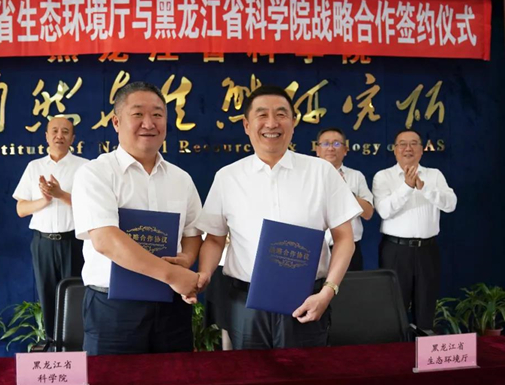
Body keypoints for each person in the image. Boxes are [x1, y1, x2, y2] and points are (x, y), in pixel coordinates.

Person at [191, 85, 362, 350]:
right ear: (247, 125)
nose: (272, 123)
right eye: (262, 115)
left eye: (281, 114)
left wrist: (328, 291)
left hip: (307, 299)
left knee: (305, 372)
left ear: (293, 123)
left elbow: (344, 238)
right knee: (250, 373)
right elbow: (214, 239)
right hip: (245, 302)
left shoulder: (321, 172)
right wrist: (204, 272)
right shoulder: (228, 177)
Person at [71, 82, 202, 355]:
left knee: (175, 377)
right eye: (138, 114)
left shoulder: (181, 179)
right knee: (113, 379)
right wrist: (172, 274)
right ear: (116, 122)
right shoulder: (95, 173)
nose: (149, 123)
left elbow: (192, 233)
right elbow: (106, 240)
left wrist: (186, 259)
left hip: (171, 307)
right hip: (114, 309)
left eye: (157, 114)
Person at [372, 129, 457, 330]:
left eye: (413, 143)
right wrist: (407, 187)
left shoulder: (434, 175)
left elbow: (450, 204)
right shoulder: (383, 176)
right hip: (396, 250)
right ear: (395, 150)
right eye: (402, 144)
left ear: (421, 149)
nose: (408, 148)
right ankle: (396, 348)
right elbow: (384, 211)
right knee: (394, 306)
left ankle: (423, 346)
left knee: (426, 305)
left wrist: (424, 188)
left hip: (427, 249)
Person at [13, 116, 88, 339]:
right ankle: (52, 345)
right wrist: (45, 200)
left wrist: (60, 194)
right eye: (54, 131)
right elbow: (21, 209)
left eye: (65, 131)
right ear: (46, 136)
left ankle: (76, 345)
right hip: (43, 243)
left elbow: (91, 206)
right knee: (47, 294)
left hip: (74, 242)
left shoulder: (85, 167)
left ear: (73, 138)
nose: (59, 136)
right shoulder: (34, 167)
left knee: (75, 294)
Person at [315, 127, 374, 271]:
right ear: (317, 150)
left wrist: (345, 191)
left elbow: (368, 213)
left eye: (336, 144)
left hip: (349, 250)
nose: (331, 148)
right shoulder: (308, 177)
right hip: (316, 248)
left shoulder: (356, 176)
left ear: (345, 150)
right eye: (325, 143)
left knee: (351, 286)